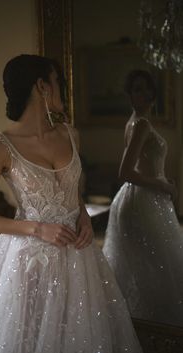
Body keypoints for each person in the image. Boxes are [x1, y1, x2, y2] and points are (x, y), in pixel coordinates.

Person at [0, 54, 142, 353]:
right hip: (28, 261)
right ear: (41, 87)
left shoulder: (71, 134)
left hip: (78, 258)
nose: (62, 88)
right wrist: (38, 229)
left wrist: (82, 216)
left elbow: (73, 193)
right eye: (57, 81)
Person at [103, 69, 183, 326]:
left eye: (148, 87)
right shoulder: (141, 123)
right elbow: (125, 172)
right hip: (142, 201)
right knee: (152, 265)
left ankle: (140, 325)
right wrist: (163, 186)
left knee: (145, 264)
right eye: (138, 89)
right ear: (129, 95)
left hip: (140, 198)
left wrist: (161, 184)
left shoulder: (136, 121)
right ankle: (154, 329)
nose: (145, 93)